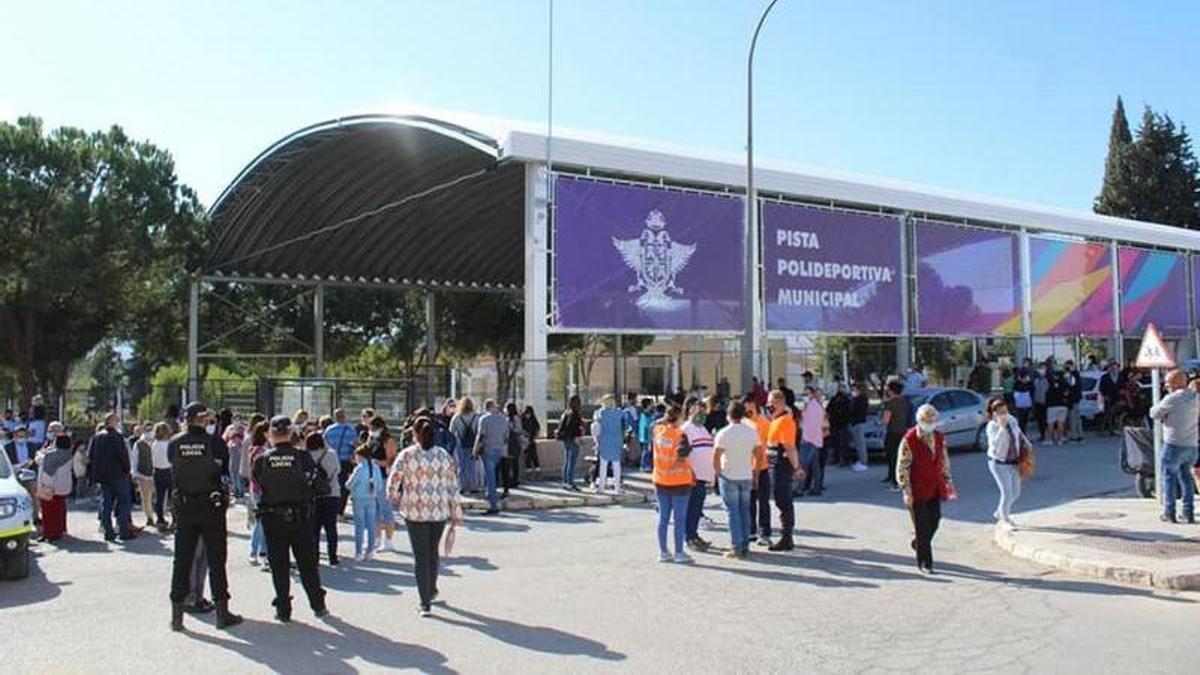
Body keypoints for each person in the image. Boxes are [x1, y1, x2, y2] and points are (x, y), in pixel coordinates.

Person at [167, 402, 241, 631]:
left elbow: (174, 466)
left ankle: (177, 617)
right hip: (211, 506)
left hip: (185, 506)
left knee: (182, 560)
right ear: (204, 418)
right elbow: (222, 470)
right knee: (216, 560)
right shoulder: (214, 442)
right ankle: (222, 613)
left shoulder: (175, 443)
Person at [253, 416, 329, 622]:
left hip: (272, 518)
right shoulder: (303, 457)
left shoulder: (262, 459)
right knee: (307, 564)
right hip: (300, 517)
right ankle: (318, 605)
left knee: (279, 565)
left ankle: (283, 609)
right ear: (290, 433)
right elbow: (320, 484)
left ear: (271, 434)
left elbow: (258, 483)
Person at [389, 416, 463, 617]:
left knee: (420, 555)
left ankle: (424, 602)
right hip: (438, 511)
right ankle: (431, 589)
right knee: (432, 552)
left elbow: (394, 480)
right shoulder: (443, 455)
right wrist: (456, 512)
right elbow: (452, 486)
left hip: (414, 511)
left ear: (414, 434)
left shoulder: (407, 455)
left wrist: (393, 497)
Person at [896, 403, 958, 574]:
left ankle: (919, 543)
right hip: (916, 489)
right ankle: (925, 562)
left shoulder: (939, 437)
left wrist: (948, 481)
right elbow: (902, 466)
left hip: (934, 486)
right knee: (922, 526)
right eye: (926, 420)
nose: (930, 423)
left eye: (933, 420)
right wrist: (906, 489)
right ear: (919, 420)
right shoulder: (909, 439)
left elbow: (944, 461)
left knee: (935, 519)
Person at [1149, 369, 1198, 524]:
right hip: (1191, 445)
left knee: (1169, 478)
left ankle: (1169, 512)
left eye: (1168, 382)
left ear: (1175, 383)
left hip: (1174, 445)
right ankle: (1188, 512)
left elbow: (1154, 413)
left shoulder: (1172, 398)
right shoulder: (1196, 397)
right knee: (1187, 478)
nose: (1166, 385)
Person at [713, 401, 761, 559]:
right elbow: (758, 455)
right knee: (745, 511)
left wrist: (718, 473)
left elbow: (716, 455)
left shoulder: (723, 433)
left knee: (732, 512)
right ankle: (745, 544)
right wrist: (756, 473)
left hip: (729, 474)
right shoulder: (752, 431)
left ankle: (736, 546)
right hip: (746, 474)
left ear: (729, 415)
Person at [651, 404, 694, 563]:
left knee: (663, 518)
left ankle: (663, 552)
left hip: (661, 479)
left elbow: (655, 424)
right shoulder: (680, 434)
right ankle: (679, 552)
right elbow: (682, 453)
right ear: (678, 418)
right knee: (679, 519)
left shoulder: (658, 431)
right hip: (680, 481)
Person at [765, 390, 804, 551]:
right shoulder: (775, 421)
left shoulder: (785, 421)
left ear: (781, 403)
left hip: (782, 466)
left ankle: (786, 537)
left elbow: (789, 447)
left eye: (772, 402)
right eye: (768, 402)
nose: (769, 406)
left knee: (784, 501)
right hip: (774, 465)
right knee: (781, 500)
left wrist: (797, 467)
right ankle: (786, 536)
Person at [88, 413, 137, 542]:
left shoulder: (97, 437)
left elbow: (91, 456)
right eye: (117, 420)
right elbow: (123, 455)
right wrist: (127, 470)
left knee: (106, 503)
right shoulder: (116, 436)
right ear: (111, 421)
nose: (118, 422)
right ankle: (123, 530)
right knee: (124, 502)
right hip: (118, 474)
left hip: (103, 476)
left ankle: (108, 531)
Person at [986, 397, 1027, 531]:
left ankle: (1000, 511)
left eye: (1005, 410)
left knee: (1016, 492)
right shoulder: (992, 426)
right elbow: (995, 446)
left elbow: (1019, 435)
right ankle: (1005, 519)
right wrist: (1002, 428)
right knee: (1007, 492)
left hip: (1014, 461)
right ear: (994, 414)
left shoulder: (1012, 420)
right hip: (998, 462)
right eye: (1000, 412)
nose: (1004, 414)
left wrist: (1027, 446)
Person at [681, 398, 715, 551]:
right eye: (699, 411)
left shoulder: (703, 428)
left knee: (697, 508)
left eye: (704, 411)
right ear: (691, 411)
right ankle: (689, 537)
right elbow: (683, 454)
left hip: (703, 476)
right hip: (692, 477)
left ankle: (694, 535)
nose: (702, 414)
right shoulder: (686, 429)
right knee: (691, 509)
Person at [307, 431, 342, 566]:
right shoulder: (331, 454)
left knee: (314, 528)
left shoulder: (307, 455)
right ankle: (332, 556)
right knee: (331, 527)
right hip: (332, 493)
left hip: (314, 495)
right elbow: (338, 470)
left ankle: (315, 557)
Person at [35, 424, 74, 542]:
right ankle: (58, 532)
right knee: (59, 511)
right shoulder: (67, 453)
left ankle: (49, 534)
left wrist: (40, 454)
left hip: (50, 487)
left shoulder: (53, 454)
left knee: (48, 512)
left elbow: (43, 463)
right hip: (63, 487)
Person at [365, 417, 399, 551]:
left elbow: (392, 461)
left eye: (373, 429)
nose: (371, 431)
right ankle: (376, 539)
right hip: (371, 476)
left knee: (386, 508)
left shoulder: (388, 440)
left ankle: (389, 541)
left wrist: (378, 463)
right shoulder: (371, 438)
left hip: (383, 477)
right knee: (374, 510)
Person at [346, 445, 381, 561]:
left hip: (358, 498)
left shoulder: (359, 468)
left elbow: (349, 484)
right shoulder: (375, 467)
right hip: (372, 498)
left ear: (360, 456)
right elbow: (380, 485)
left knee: (359, 526)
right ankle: (370, 551)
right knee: (371, 525)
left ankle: (359, 552)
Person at [475, 399, 509, 515]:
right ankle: (490, 496)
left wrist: (475, 451)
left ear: (487, 407)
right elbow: (506, 437)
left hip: (488, 450)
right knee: (492, 475)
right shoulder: (503, 419)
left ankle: (493, 504)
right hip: (499, 450)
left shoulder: (484, 419)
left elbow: (481, 436)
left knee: (490, 477)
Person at [324, 408, 359, 517]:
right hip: (345, 461)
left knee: (332, 484)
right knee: (344, 487)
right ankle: (340, 511)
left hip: (331, 460)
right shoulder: (351, 430)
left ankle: (331, 508)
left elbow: (325, 445)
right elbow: (356, 446)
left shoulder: (329, 430)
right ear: (345, 416)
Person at [243, 422, 269, 565]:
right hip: (261, 490)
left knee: (260, 521)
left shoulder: (255, 449)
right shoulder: (261, 451)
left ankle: (259, 551)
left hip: (256, 489)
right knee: (261, 522)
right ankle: (258, 551)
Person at [593, 395, 626, 494]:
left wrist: (596, 442)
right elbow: (622, 426)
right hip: (616, 441)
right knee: (617, 466)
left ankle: (601, 487)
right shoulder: (619, 413)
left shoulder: (600, 413)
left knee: (603, 466)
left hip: (604, 441)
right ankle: (617, 488)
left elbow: (596, 426)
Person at [880, 381, 910, 490]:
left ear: (891, 391)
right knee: (901, 456)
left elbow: (885, 420)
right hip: (903, 432)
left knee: (892, 456)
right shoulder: (905, 402)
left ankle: (895, 480)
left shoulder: (890, 404)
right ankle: (898, 477)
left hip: (892, 432)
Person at [798, 386, 827, 496]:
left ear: (813, 394)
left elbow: (811, 425)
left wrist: (805, 439)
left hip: (809, 440)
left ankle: (800, 489)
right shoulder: (811, 405)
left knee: (803, 465)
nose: (805, 396)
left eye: (807, 394)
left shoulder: (813, 407)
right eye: (804, 394)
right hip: (814, 440)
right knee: (815, 466)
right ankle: (817, 488)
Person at [449, 398, 480, 495]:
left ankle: (462, 486)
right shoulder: (476, 417)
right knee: (472, 465)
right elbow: (479, 431)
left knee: (461, 465)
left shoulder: (457, 417)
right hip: (473, 443)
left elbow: (451, 431)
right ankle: (473, 486)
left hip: (460, 444)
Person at [131, 424, 158, 528]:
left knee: (149, 497)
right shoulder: (139, 444)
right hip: (145, 474)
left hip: (149, 474)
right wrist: (134, 474)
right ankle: (150, 517)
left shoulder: (154, 442)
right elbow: (135, 459)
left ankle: (152, 517)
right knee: (147, 498)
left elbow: (134, 459)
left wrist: (134, 474)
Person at [557, 395, 585, 491]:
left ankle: (565, 482)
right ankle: (570, 482)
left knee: (567, 461)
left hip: (566, 440)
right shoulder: (574, 414)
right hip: (573, 440)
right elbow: (573, 428)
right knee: (572, 462)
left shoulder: (566, 413)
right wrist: (578, 436)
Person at [150, 422, 174, 532]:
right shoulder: (169, 444)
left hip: (157, 471)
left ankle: (160, 520)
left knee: (159, 498)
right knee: (172, 497)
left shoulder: (154, 444)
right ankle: (175, 520)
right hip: (169, 471)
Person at [502, 402, 524, 495]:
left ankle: (514, 480)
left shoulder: (514, 418)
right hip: (513, 442)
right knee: (513, 462)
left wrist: (511, 429)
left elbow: (518, 429)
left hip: (512, 441)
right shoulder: (509, 418)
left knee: (513, 462)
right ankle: (513, 480)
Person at [1099, 361, 1125, 436]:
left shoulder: (1121, 376)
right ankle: (1107, 429)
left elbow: (1124, 386)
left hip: (1118, 398)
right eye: (1112, 367)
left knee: (1117, 413)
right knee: (1107, 414)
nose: (1114, 368)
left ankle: (1115, 428)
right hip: (1108, 398)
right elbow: (1101, 388)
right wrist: (1103, 396)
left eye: (1115, 367)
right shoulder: (1105, 377)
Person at [848, 382, 870, 472]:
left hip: (858, 422)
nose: (853, 391)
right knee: (858, 444)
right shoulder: (859, 399)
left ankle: (863, 461)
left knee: (860, 444)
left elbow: (856, 411)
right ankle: (861, 460)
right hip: (856, 422)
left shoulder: (860, 399)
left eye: (854, 389)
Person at [1044, 366, 1068, 446]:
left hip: (1052, 405)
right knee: (1060, 423)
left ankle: (1050, 440)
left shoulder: (1052, 383)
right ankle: (1060, 439)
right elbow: (1067, 393)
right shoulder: (1065, 383)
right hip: (1063, 405)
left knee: (1051, 423)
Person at [1063, 360, 1085, 443]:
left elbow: (1071, 386)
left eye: (1068, 366)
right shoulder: (1076, 374)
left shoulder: (1073, 375)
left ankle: (1074, 435)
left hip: (1072, 399)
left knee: (1073, 418)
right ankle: (1079, 435)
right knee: (1077, 417)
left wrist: (1067, 393)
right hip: (1076, 399)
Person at [520, 405, 541, 476]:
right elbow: (520, 429)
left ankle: (537, 470)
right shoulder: (522, 419)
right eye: (527, 414)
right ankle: (528, 471)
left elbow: (537, 428)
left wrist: (535, 436)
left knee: (534, 455)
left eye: (529, 414)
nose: (528, 415)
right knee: (527, 456)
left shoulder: (533, 419)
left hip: (532, 439)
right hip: (525, 439)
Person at [637, 398, 656, 472]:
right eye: (651, 403)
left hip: (646, 434)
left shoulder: (645, 413)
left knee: (647, 450)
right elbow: (647, 425)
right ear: (648, 405)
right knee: (646, 450)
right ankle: (644, 465)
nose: (653, 405)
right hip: (646, 434)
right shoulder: (646, 414)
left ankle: (646, 464)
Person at [1032, 364, 1050, 442]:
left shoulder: (1048, 379)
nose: (1041, 370)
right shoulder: (1036, 379)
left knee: (1046, 420)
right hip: (1037, 402)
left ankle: (1048, 435)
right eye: (1040, 369)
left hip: (1046, 402)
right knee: (1039, 420)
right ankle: (1042, 435)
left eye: (1043, 368)